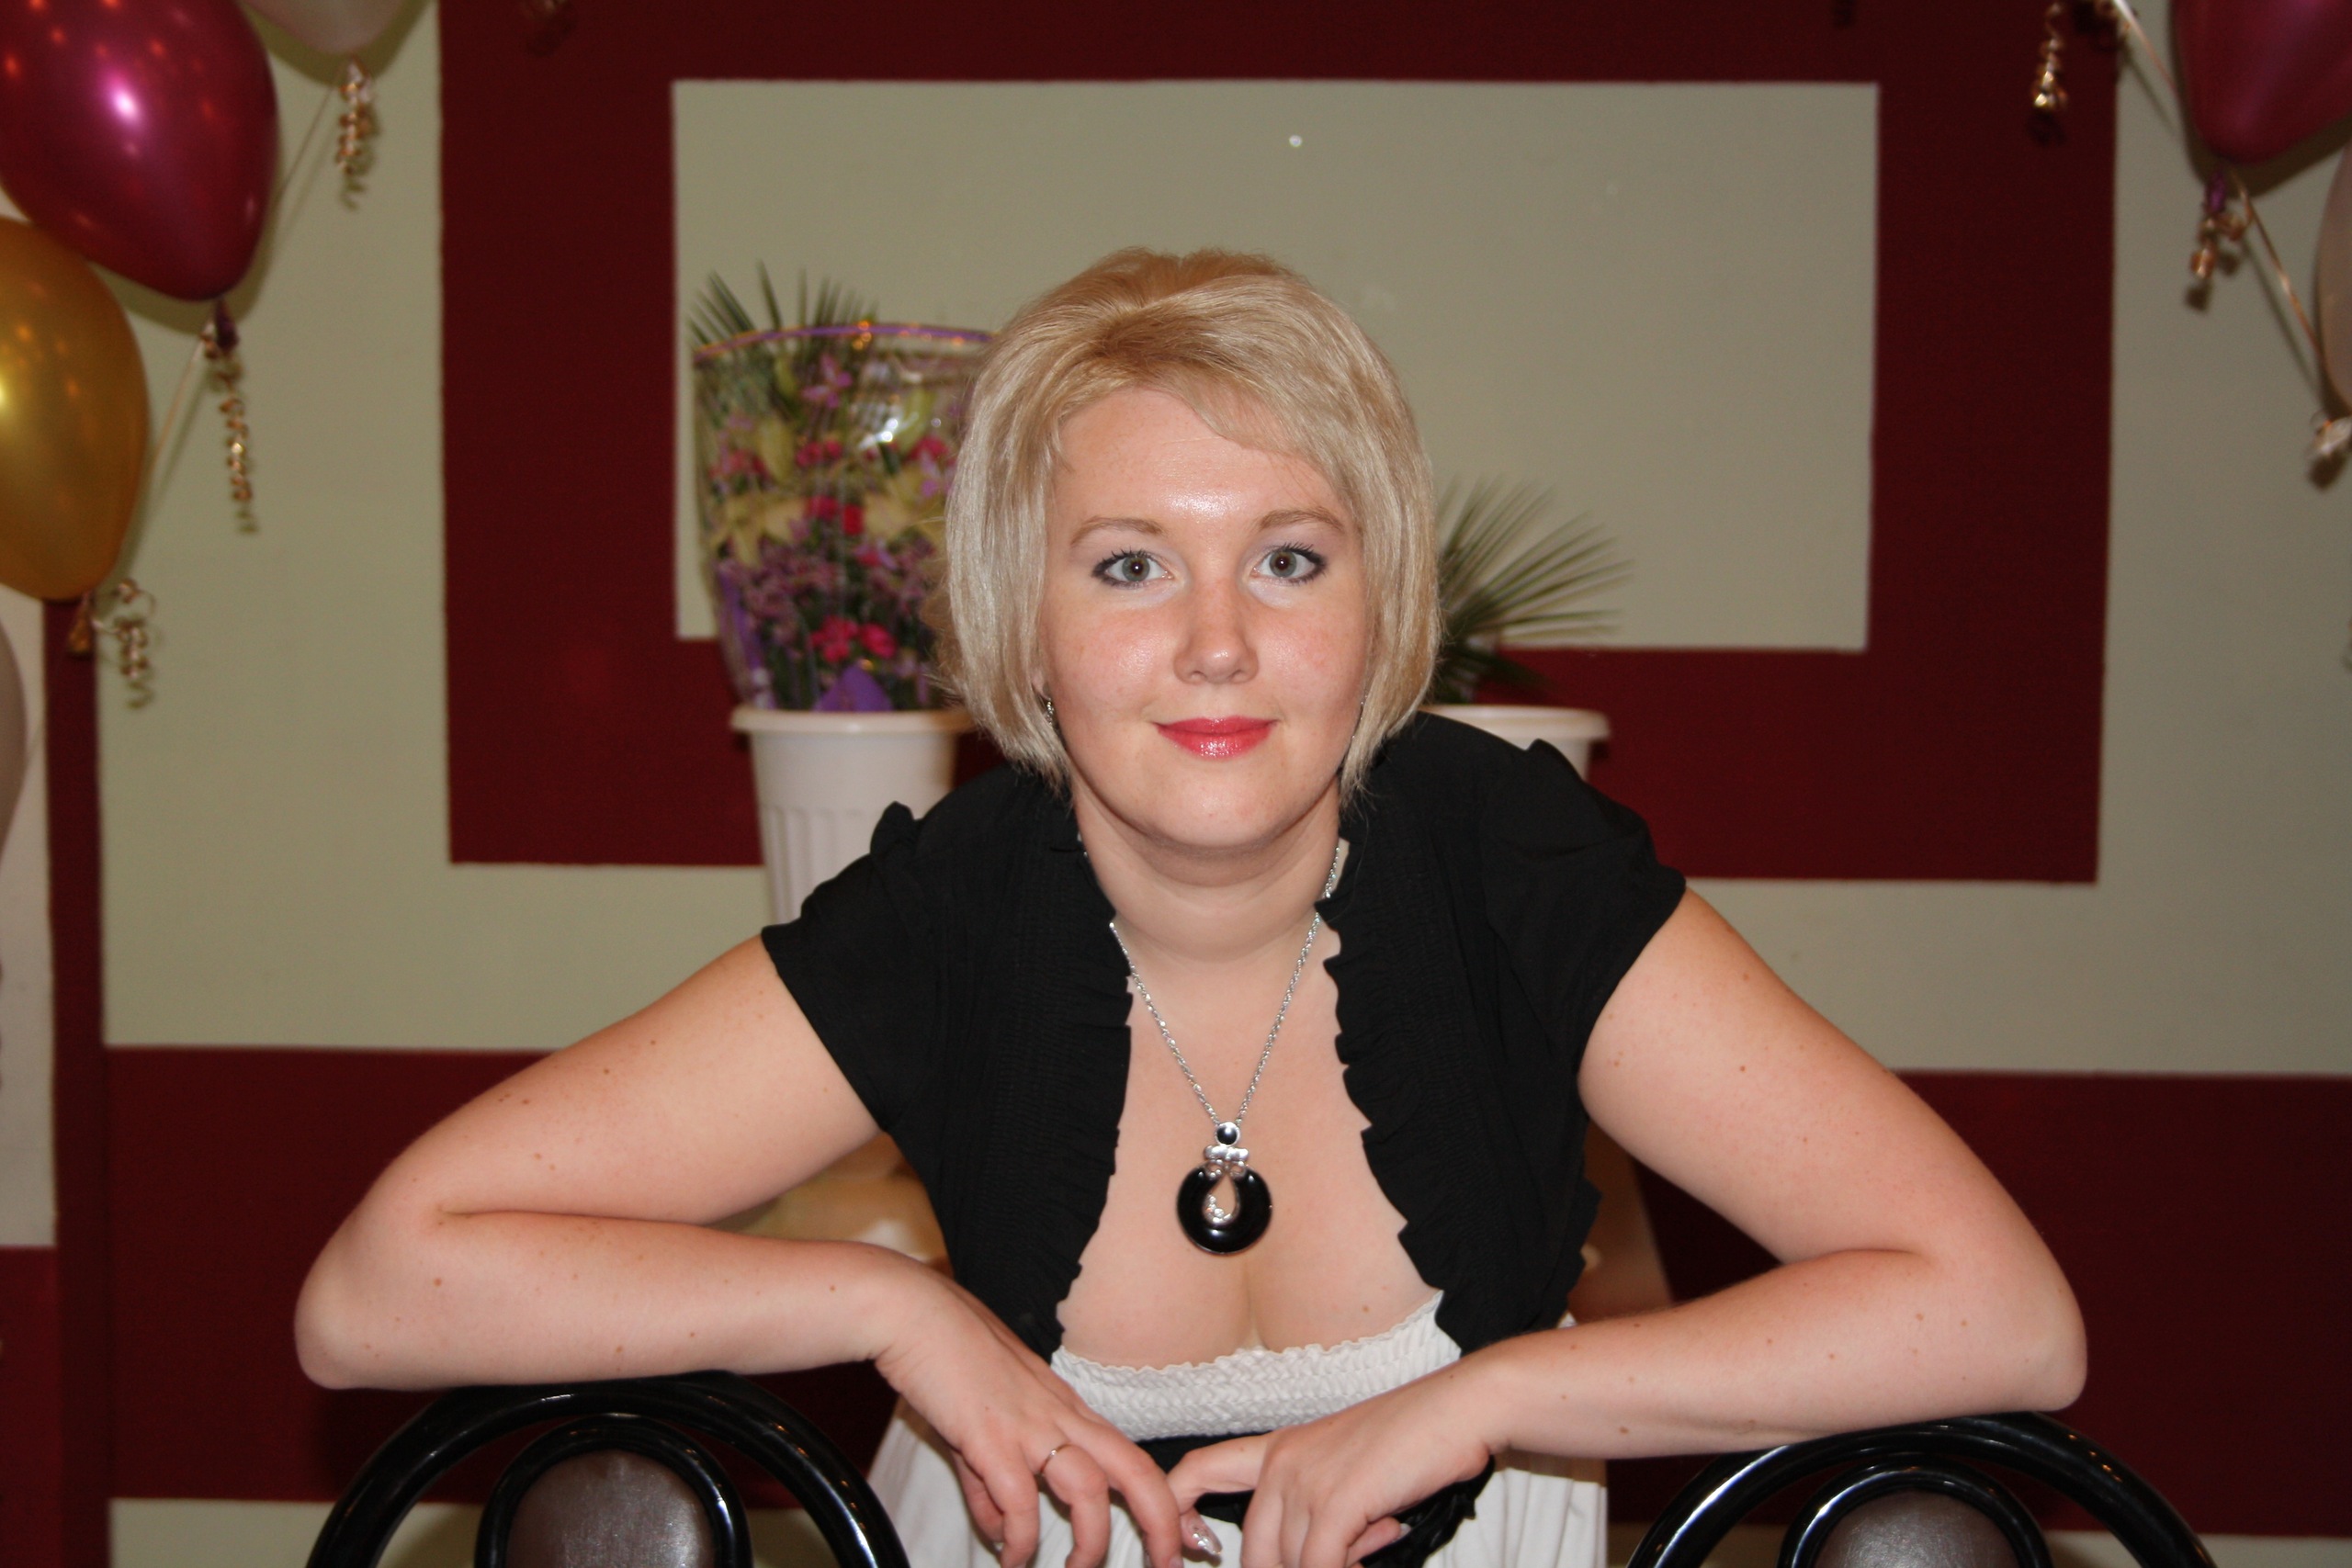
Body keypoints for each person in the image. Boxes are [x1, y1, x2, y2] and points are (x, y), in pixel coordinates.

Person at [296, 249, 2085, 1568]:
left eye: (1288, 557)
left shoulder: (1514, 863)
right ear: (1026, 628)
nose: (1217, 641)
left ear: (1379, 612)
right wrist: (889, 1310)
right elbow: (378, 1288)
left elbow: (2001, 1311)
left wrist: (1486, 1398)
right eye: (1131, 563)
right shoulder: (946, 911)